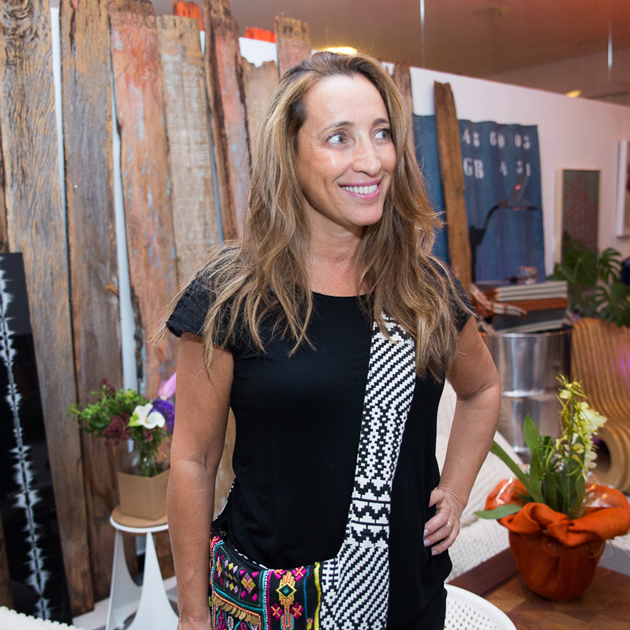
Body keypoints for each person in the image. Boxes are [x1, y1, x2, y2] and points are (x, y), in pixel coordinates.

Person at [164, 51, 500, 630]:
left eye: (381, 134)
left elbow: (482, 389)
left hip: (406, 602)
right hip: (268, 604)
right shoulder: (230, 296)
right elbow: (193, 461)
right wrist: (193, 616)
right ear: (290, 154)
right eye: (339, 137)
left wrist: (455, 488)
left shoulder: (422, 290)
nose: (370, 160)